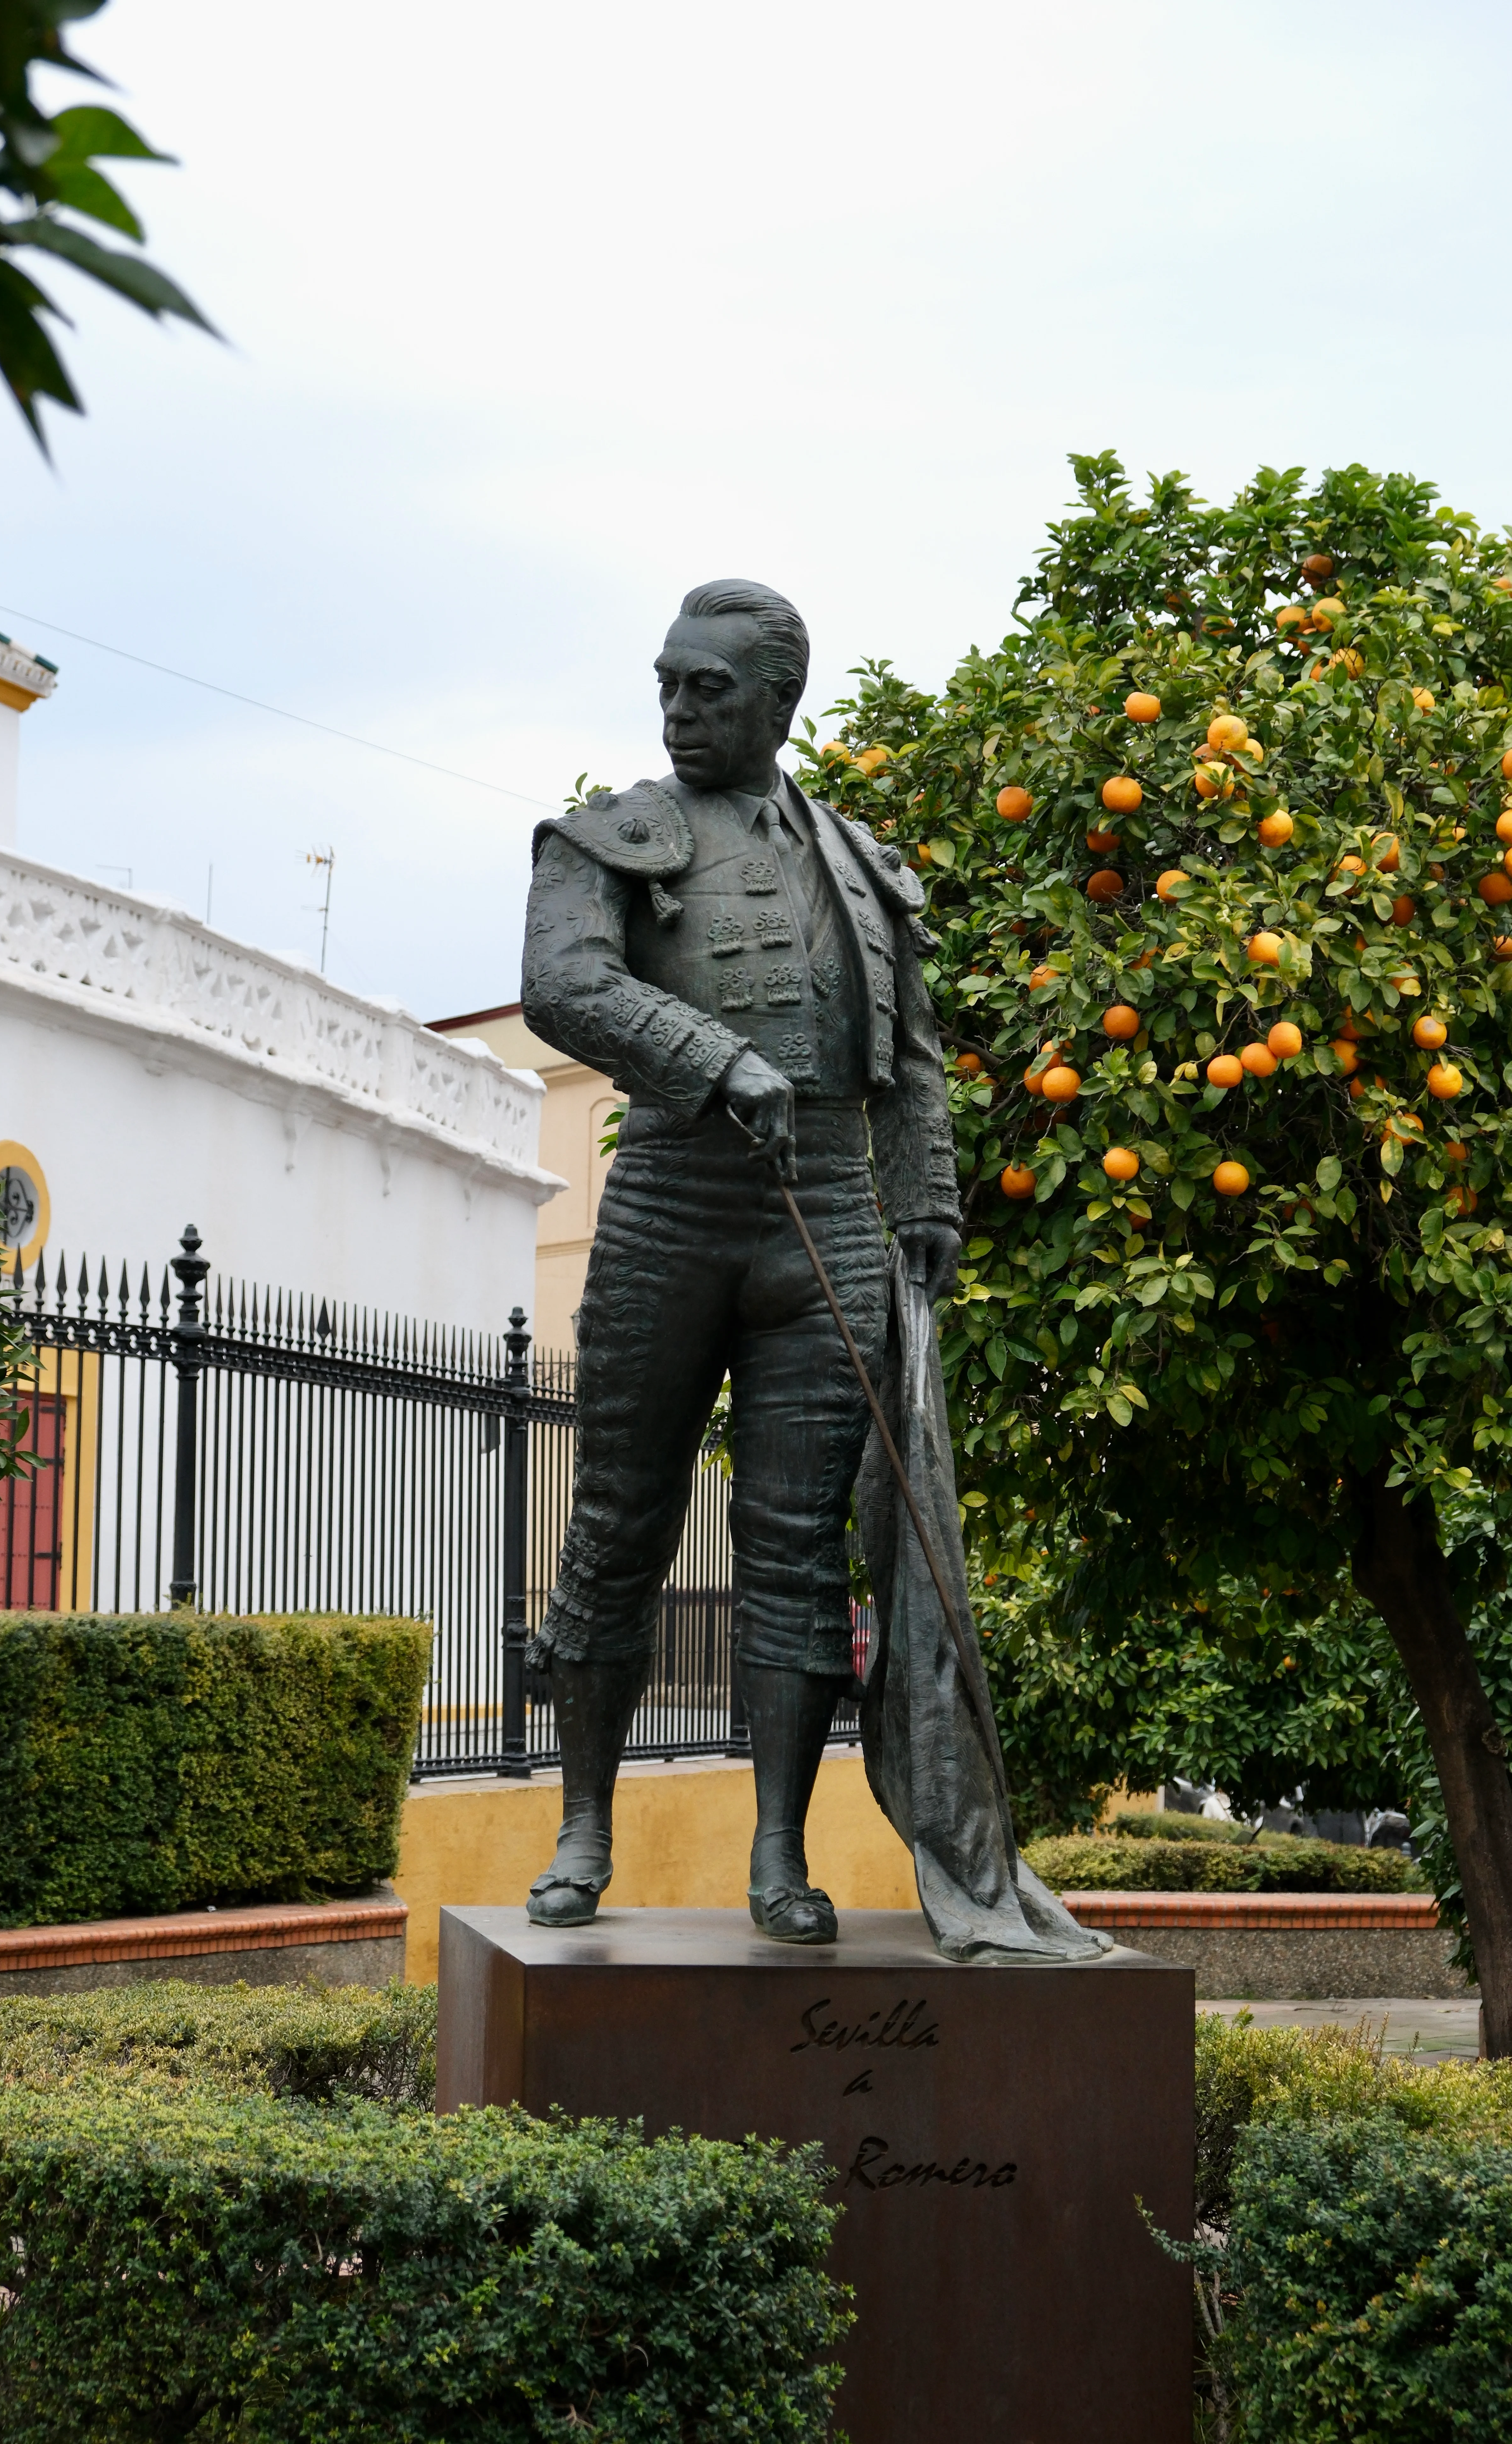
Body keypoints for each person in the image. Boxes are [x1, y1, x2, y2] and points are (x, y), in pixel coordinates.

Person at [519, 578, 960, 1942]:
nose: (678, 708)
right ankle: (583, 1827)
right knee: (617, 1526)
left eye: (708, 688)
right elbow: (564, 987)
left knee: (792, 1552)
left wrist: (925, 1196)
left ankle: (779, 1857)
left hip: (824, 1208)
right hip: (669, 1202)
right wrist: (715, 1061)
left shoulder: (861, 863)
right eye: (667, 684)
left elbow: (916, 1058)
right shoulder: (606, 841)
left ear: (779, 701)